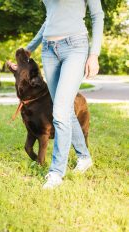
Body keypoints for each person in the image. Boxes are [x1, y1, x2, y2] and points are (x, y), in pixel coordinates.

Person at [9, 0, 104, 189]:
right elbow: (50, 18)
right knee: (65, 109)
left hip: (75, 46)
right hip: (49, 50)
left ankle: (56, 172)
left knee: (59, 111)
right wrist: (31, 46)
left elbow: (97, 15)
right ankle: (84, 157)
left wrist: (94, 54)